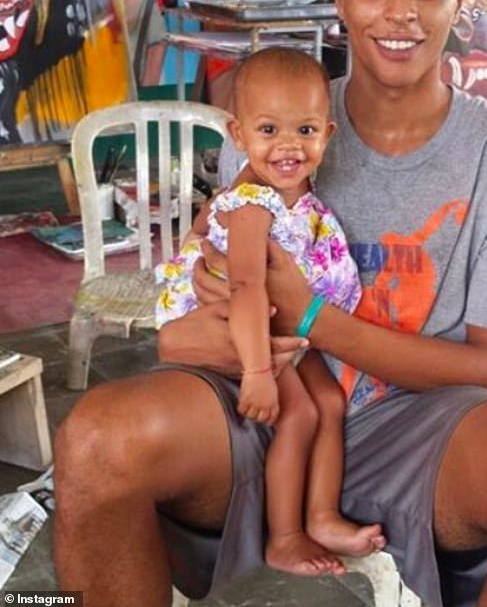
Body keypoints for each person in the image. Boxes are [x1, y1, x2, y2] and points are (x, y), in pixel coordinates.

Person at [54, 0, 487, 607]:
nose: (401, 12)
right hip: (268, 406)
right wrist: (222, 329)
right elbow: (187, 340)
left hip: (424, 422)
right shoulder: (275, 119)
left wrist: (307, 312)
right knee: (97, 439)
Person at [154, 47, 384, 575]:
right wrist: (257, 373)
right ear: (239, 136)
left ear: (327, 133)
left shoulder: (299, 194)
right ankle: (284, 536)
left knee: (330, 401)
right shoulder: (251, 205)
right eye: (268, 130)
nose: (287, 146)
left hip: (280, 323)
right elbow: (247, 290)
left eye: (304, 131)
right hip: (240, 324)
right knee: (300, 413)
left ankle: (322, 516)